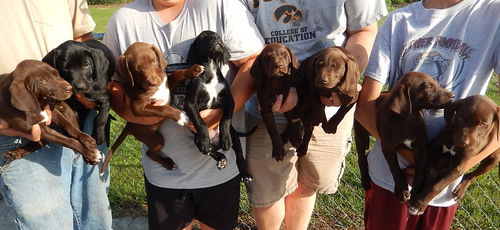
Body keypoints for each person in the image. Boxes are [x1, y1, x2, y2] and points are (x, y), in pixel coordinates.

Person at [103, 0, 264, 229]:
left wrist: (222, 112)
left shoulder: (222, 6)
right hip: (165, 172)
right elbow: (114, 87)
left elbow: (253, 62)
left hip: (218, 167)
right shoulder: (124, 20)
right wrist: (148, 115)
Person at [237, 0, 387, 229]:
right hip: (270, 98)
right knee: (267, 190)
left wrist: (341, 82)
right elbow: (243, 47)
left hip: (325, 101)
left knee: (308, 181)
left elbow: (364, 30)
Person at [355, 0, 500, 229]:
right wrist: (420, 163)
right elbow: (364, 108)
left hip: (440, 190)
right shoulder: (399, 20)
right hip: (392, 178)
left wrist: (447, 173)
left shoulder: (494, 14)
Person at [0, 0, 112, 229]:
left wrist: (97, 85)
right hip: (16, 122)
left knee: (95, 219)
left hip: (78, 114)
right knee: (50, 222)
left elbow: (83, 37)